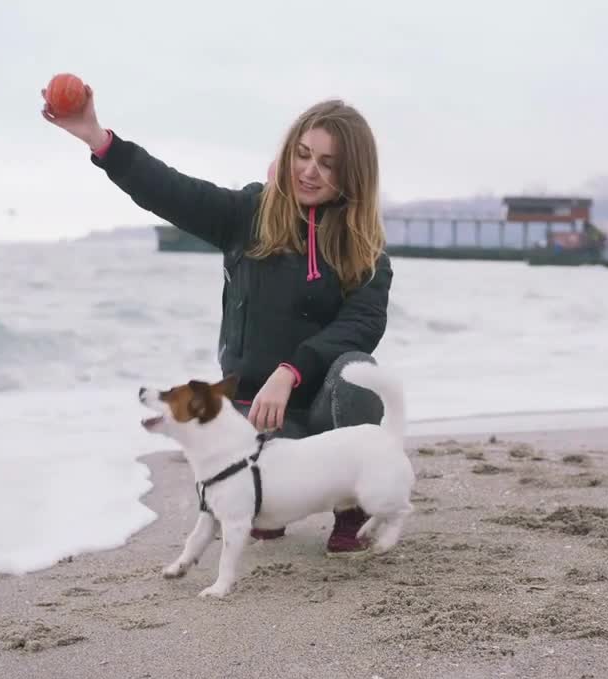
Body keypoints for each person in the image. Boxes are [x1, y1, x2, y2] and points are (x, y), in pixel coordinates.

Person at [42, 86, 394, 555]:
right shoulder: (248, 214)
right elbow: (171, 191)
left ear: (353, 174)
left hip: (322, 414)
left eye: (327, 164)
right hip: (261, 418)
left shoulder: (366, 249)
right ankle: (271, 503)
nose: (310, 170)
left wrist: (291, 372)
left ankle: (351, 505)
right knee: (255, 506)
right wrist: (99, 140)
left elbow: (362, 325)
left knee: (359, 375)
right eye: (303, 154)